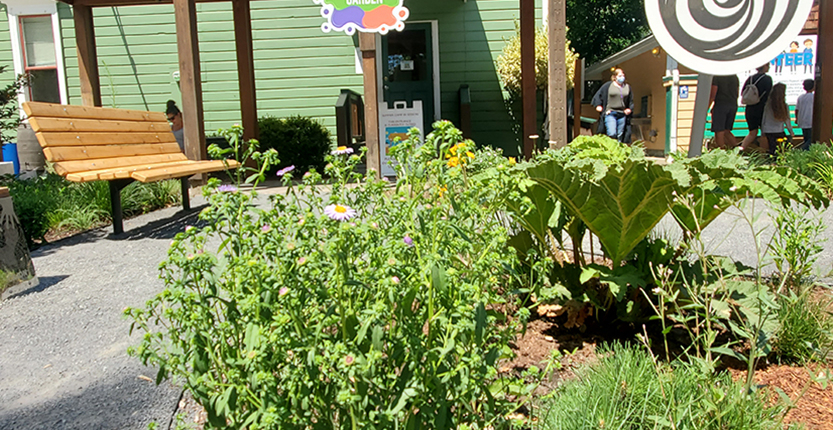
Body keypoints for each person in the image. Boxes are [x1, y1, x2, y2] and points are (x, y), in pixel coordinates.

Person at [591, 68, 634, 143]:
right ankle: (610, 147)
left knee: (620, 135)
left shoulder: (627, 87)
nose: (622, 77)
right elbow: (598, 95)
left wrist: (629, 109)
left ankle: (617, 151)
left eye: (623, 75)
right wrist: (598, 105)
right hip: (610, 113)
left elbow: (630, 100)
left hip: (622, 114)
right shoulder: (608, 86)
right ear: (615, 77)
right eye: (620, 76)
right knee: (612, 133)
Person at [740, 64, 773, 152]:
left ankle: (741, 149)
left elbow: (743, 92)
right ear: (764, 67)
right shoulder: (767, 79)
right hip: (762, 108)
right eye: (768, 65)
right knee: (764, 133)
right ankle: (763, 155)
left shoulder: (750, 78)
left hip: (749, 108)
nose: (769, 67)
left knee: (752, 132)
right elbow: (769, 94)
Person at [760, 83, 794, 155]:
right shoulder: (784, 106)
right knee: (782, 148)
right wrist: (791, 131)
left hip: (768, 130)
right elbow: (787, 120)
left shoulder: (768, 105)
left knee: (771, 148)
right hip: (779, 130)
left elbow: (764, 118)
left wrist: (762, 130)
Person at [709, 75, 739, 149]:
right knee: (726, 130)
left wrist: (707, 108)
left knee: (719, 131)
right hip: (733, 105)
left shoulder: (717, 77)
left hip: (720, 105)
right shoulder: (734, 77)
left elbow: (713, 95)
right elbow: (737, 93)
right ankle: (737, 149)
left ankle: (721, 152)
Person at [795, 79, 815, 149]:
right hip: (810, 121)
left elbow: (797, 109)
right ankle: (801, 150)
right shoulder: (814, 97)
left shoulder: (800, 97)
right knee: (811, 139)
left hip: (802, 121)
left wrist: (797, 119)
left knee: (806, 138)